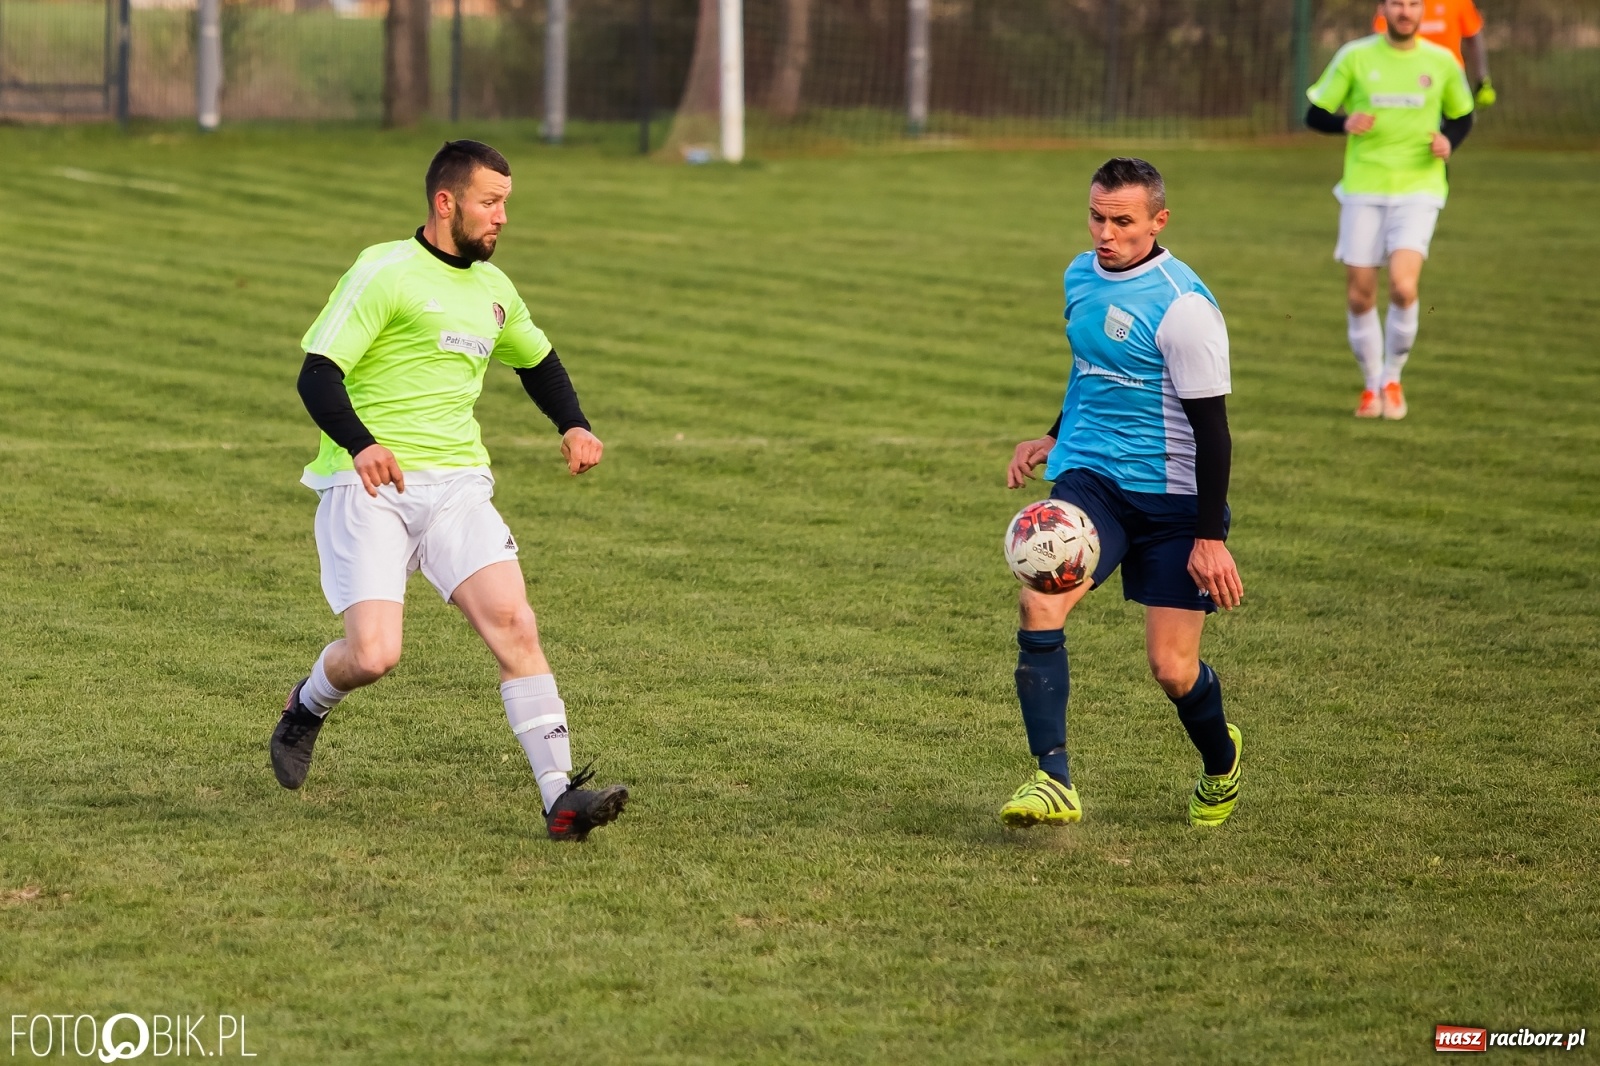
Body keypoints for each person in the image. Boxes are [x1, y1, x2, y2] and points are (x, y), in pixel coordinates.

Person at [270, 139, 628, 843]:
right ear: (446, 203)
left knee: (515, 624)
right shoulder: (384, 272)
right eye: (490, 202)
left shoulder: (495, 290)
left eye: (506, 204)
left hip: (458, 486)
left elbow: (538, 360)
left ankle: (560, 798)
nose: (500, 217)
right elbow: (318, 373)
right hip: (367, 484)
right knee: (373, 655)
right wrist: (363, 443)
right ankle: (307, 704)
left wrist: (574, 426)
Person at [1001, 158, 1244, 830]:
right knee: (1038, 599)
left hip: (1172, 502)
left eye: (1123, 221)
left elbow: (1213, 433)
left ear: (1158, 221)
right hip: (1093, 481)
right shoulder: (1080, 275)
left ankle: (1221, 763)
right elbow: (1090, 369)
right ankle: (1053, 780)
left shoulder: (1183, 307)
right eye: (1097, 217)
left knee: (1171, 668)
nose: (1106, 233)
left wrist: (1209, 538)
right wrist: (1053, 436)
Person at [1305, 0, 1475, 420]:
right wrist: (1343, 123)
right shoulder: (1355, 56)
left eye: (1413, 3)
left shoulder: (1442, 61)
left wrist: (1449, 142)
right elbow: (1314, 113)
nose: (1405, 10)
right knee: (1360, 294)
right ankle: (1370, 385)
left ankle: (1392, 378)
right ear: (1384, 8)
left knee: (1403, 286)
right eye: (1397, 2)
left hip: (1420, 188)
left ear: (1421, 11)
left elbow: (1462, 115)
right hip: (1363, 188)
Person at [1374, 0, 1497, 108]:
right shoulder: (1399, 5)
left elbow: (1473, 36)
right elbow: (1381, 40)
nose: (1407, 11)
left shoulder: (1458, 2)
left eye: (1414, 5)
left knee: (1459, 120)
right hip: (1406, 79)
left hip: (1449, 79)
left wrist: (1482, 79)